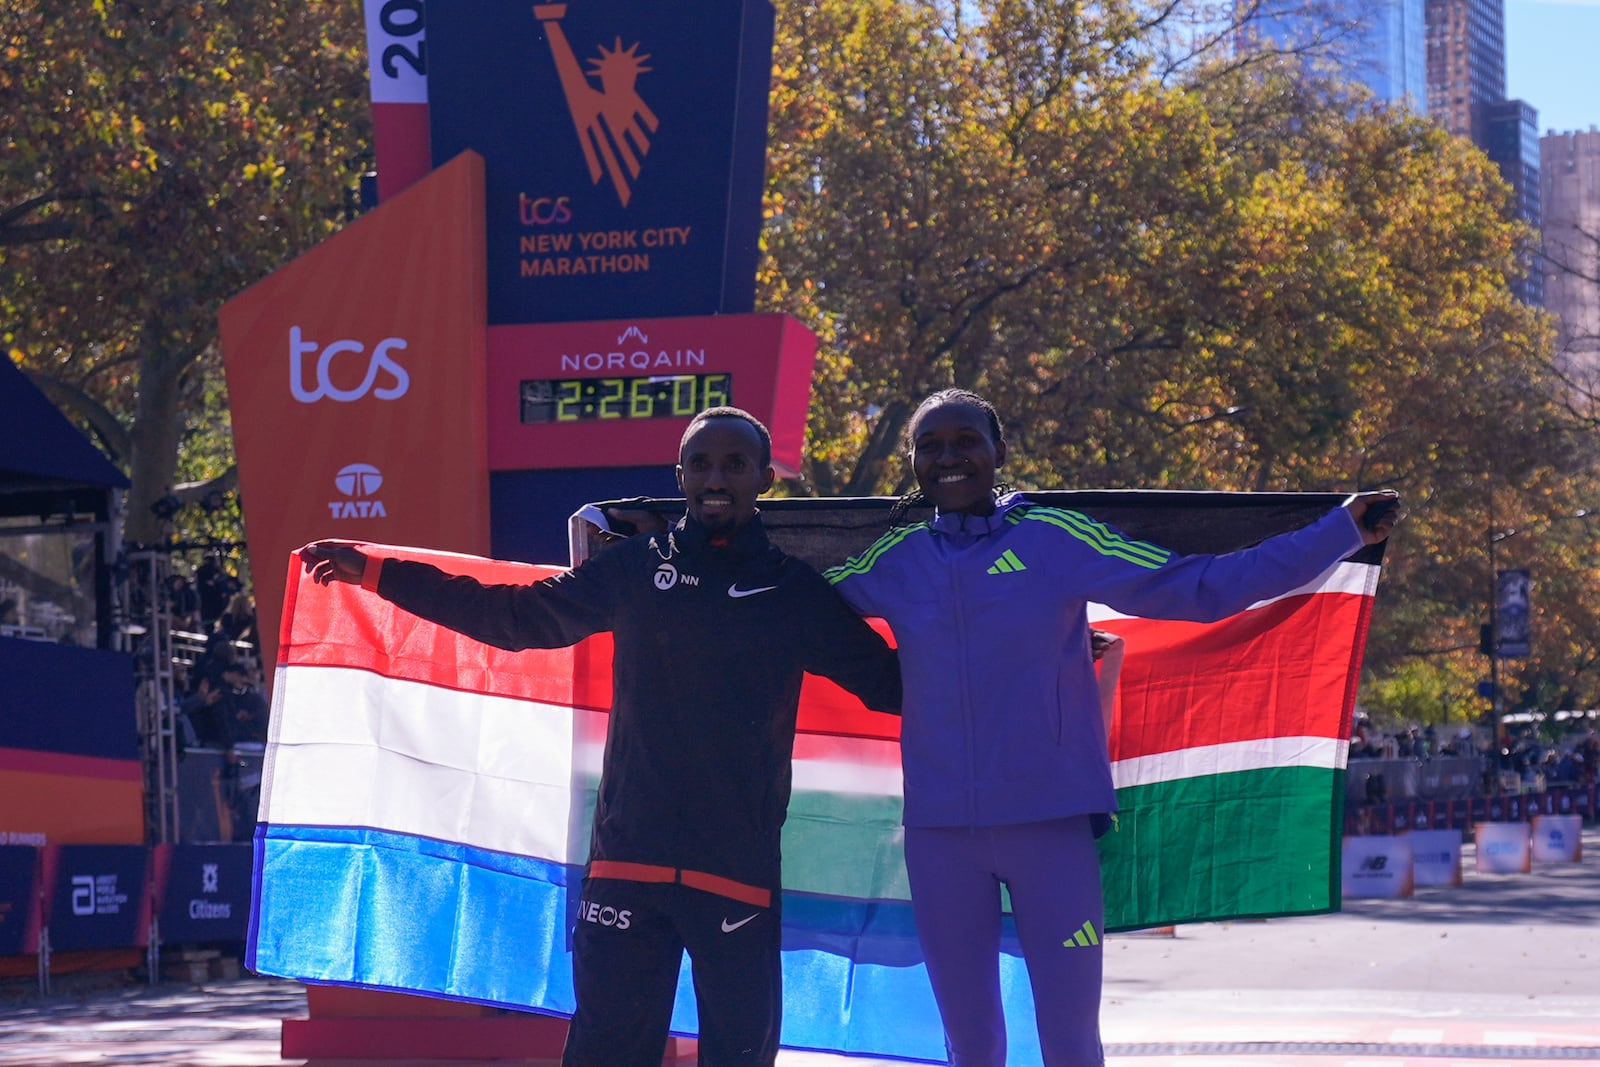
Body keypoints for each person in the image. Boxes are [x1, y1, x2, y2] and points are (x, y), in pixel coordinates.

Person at [298, 407, 901, 1067]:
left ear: (764, 476)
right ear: (680, 475)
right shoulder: (637, 569)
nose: (716, 476)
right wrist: (384, 573)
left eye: (733, 462)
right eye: (700, 463)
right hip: (627, 864)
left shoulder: (792, 592)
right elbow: (515, 618)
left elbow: (893, 686)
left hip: (736, 873)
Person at [822, 388, 1399, 1067]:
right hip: (940, 838)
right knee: (971, 1045)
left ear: (999, 450)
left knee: (1070, 1044)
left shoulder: (1053, 539)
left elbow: (1202, 587)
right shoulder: (896, 560)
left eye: (965, 440)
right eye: (931, 446)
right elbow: (782, 607)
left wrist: (1341, 531)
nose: (949, 457)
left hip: (1052, 835)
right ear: (913, 462)